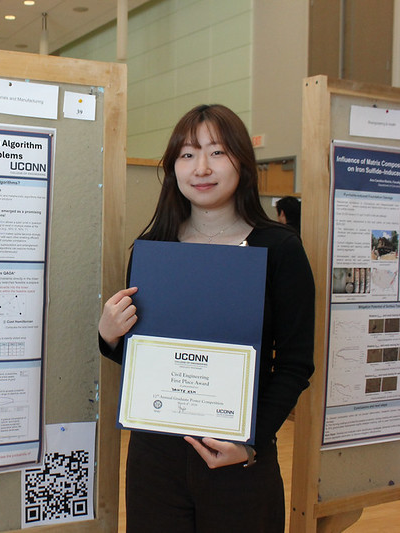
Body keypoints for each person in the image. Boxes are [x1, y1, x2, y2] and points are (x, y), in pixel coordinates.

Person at [98, 104, 315, 532]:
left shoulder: (280, 249)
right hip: (155, 460)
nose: (201, 167)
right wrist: (109, 337)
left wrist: (250, 444)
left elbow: (294, 364)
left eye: (216, 152)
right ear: (173, 167)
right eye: (187, 153)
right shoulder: (153, 248)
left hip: (239, 459)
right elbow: (148, 362)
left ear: (241, 162)